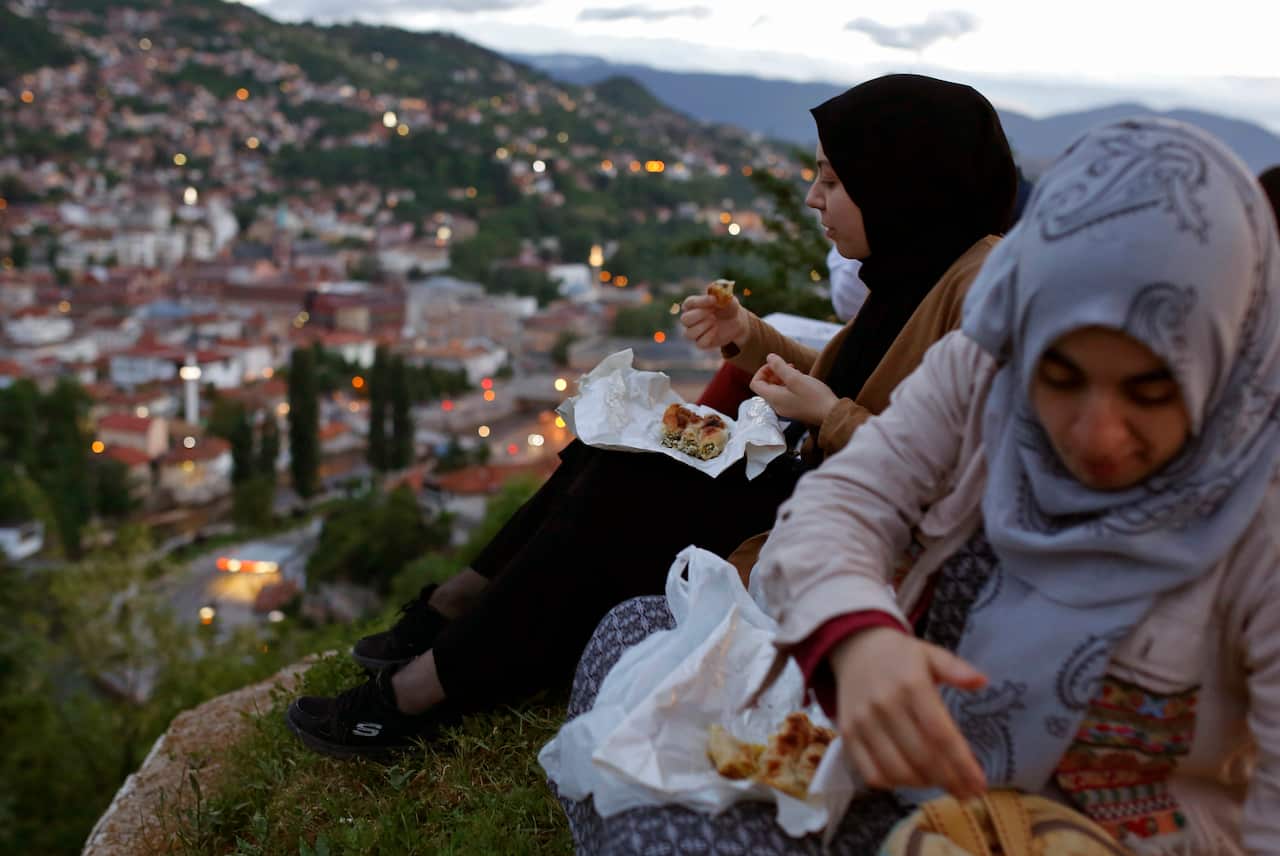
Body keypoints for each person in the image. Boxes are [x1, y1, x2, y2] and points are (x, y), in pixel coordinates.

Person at [557, 116, 1280, 853]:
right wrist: (861, 638)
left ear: (1231, 368)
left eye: (1151, 394)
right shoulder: (985, 368)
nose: (1096, 435)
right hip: (911, 761)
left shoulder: (1263, 522)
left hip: (1099, 835)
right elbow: (846, 499)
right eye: (1058, 379)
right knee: (633, 634)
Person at [284, 73, 1018, 760]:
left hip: (843, 531)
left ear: (901, 184)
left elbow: (957, 473)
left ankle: (421, 692)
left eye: (832, 179)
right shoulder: (912, 267)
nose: (813, 198)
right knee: (618, 443)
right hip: (810, 481)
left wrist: (827, 415)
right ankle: (460, 608)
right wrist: (748, 337)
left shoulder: (979, 288)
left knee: (626, 490)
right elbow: (844, 379)